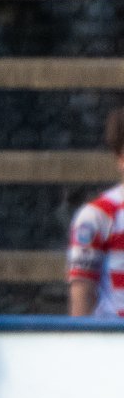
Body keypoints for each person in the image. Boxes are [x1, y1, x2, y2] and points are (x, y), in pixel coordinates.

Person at [67, 107, 124, 318]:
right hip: (115, 343)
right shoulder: (97, 215)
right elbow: (82, 291)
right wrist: (81, 346)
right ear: (120, 158)